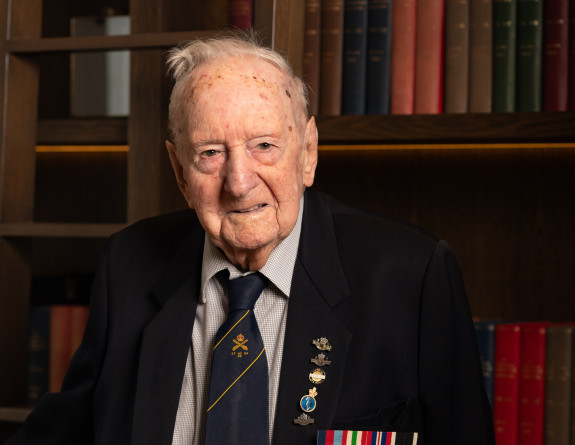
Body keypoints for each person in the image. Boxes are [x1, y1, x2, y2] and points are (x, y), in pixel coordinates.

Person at [7, 35, 494, 445]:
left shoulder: (411, 274)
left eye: (264, 146)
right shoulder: (129, 264)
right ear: (179, 171)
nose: (239, 181)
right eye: (211, 153)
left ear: (307, 153)